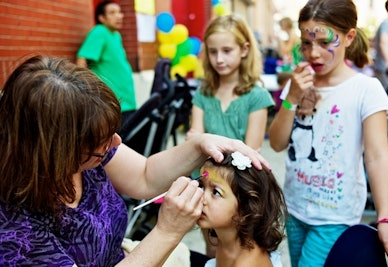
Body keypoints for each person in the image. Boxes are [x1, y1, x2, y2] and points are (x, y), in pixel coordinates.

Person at [0, 54, 269, 266]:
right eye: (101, 143)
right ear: (55, 153)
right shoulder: (15, 230)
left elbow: (145, 175)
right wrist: (167, 231)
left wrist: (198, 146)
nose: (116, 143)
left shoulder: (91, 154)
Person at [268, 0, 388, 266]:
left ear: (349, 36)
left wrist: (385, 217)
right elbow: (277, 143)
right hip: (295, 211)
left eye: (325, 43)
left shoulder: (366, 89)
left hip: (335, 218)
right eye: (306, 43)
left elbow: (377, 156)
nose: (313, 53)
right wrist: (292, 98)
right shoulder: (299, 83)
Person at [185, 14, 275, 257]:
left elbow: (250, 150)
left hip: (237, 190)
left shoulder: (256, 96)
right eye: (213, 52)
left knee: (237, 247)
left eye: (226, 50)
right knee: (212, 245)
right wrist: (197, 140)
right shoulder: (203, 93)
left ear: (244, 49)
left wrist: (201, 140)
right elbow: (193, 138)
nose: (219, 59)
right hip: (205, 183)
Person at [198, 151, 287, 267]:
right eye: (201, 186)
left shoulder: (246, 263)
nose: (201, 197)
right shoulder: (226, 243)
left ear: (245, 209)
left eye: (216, 192)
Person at [76, 0, 137, 128]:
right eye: (112, 13)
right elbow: (82, 60)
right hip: (113, 105)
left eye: (120, 12)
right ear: (102, 18)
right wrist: (82, 93)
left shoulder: (116, 35)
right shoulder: (99, 32)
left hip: (127, 102)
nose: (119, 16)